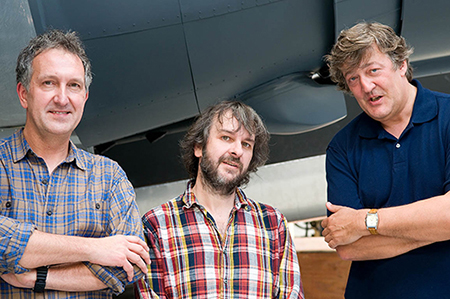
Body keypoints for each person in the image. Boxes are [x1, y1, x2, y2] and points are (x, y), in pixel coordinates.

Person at [0, 29, 150, 298]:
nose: (62, 98)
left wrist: (37, 277)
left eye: (74, 85)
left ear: (84, 97)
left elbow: (130, 266)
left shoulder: (109, 177)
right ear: (24, 93)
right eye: (48, 83)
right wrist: (94, 249)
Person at [321, 21, 450, 298]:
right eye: (353, 78)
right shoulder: (341, 148)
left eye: (373, 70)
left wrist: (363, 223)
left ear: (401, 64)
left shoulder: (449, 117)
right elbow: (349, 247)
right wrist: (436, 226)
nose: (366, 86)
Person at [136, 101, 304, 298]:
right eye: (226, 137)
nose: (237, 151)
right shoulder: (156, 225)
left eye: (246, 144)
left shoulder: (273, 224)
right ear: (199, 147)